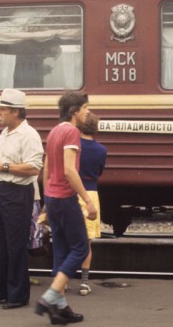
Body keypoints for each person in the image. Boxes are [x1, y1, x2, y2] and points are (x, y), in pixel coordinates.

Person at [35, 91, 97, 325]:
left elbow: (47, 169)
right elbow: (70, 171)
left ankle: (60, 309)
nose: (87, 112)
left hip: (52, 197)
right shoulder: (71, 131)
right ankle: (50, 297)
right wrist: (87, 200)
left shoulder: (54, 131)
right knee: (80, 249)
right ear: (74, 111)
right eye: (85, 108)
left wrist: (46, 201)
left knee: (61, 252)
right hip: (65, 198)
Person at [0, 88, 44, 309]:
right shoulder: (5, 132)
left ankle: (17, 295)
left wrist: (2, 166)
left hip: (17, 194)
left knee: (15, 246)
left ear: (16, 112)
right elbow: (4, 159)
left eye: (2, 109)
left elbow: (34, 168)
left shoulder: (29, 135)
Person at [76, 112, 106, 297]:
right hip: (91, 195)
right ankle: (84, 283)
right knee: (87, 242)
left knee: (65, 240)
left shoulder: (73, 147)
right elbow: (99, 172)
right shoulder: (101, 150)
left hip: (72, 192)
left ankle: (61, 282)